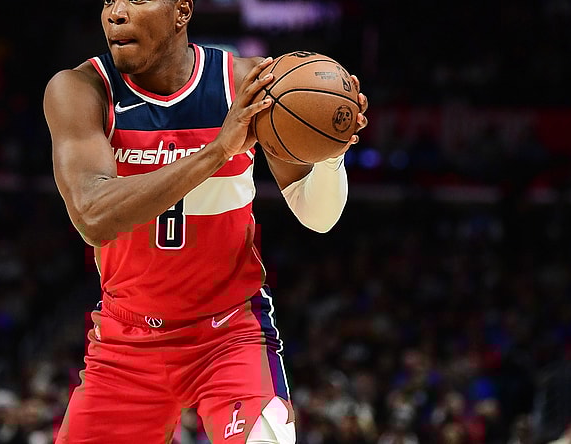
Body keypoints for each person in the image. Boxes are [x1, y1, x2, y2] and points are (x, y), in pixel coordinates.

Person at [43, 0, 368, 442]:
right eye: (108, 1)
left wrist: (331, 154)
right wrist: (218, 150)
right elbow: (93, 216)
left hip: (228, 332)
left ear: (181, 11)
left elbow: (319, 218)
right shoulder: (81, 90)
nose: (116, 12)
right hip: (127, 340)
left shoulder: (248, 83)